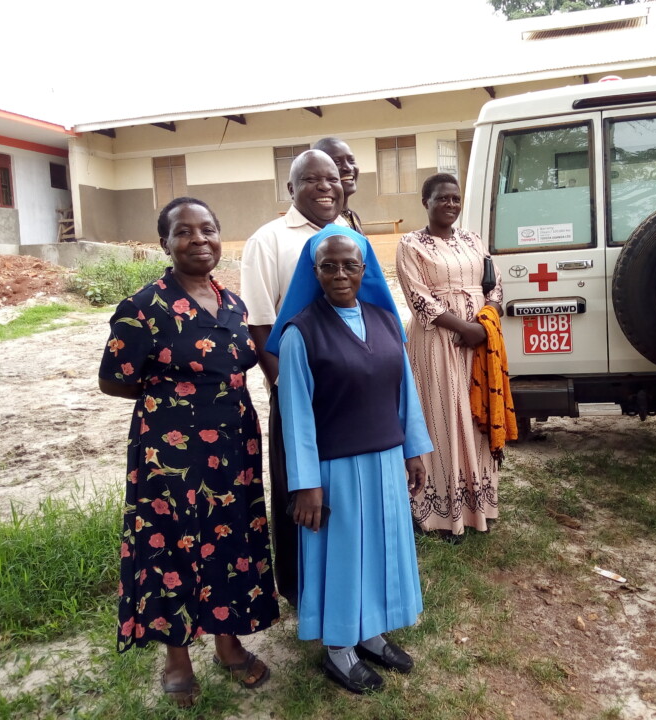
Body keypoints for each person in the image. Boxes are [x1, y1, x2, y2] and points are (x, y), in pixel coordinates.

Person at [99, 197, 279, 707]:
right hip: (169, 454)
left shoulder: (235, 305)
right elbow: (113, 381)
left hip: (233, 449)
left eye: (208, 229)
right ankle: (176, 658)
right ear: (165, 243)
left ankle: (227, 643)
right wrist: (171, 397)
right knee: (171, 546)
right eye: (185, 231)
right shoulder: (143, 307)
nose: (199, 239)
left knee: (229, 540)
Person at [267, 224, 432, 694]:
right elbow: (296, 414)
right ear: (314, 272)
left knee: (381, 549)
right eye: (328, 265)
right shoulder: (302, 332)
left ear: (366, 269)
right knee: (341, 558)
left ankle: (371, 633)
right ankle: (339, 647)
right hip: (334, 468)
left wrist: (414, 447)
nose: (340, 273)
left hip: (383, 459)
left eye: (350, 265)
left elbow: (406, 392)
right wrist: (306, 484)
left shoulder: (384, 320)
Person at [239, 149, 346, 604]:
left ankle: (344, 583)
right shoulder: (269, 240)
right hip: (296, 395)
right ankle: (302, 591)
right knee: (298, 494)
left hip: (346, 396)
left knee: (341, 492)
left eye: (333, 178)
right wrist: (285, 387)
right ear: (291, 189)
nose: (326, 186)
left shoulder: (346, 234)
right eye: (312, 180)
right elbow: (259, 322)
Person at [396, 173, 504, 539]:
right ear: (425, 202)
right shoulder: (411, 244)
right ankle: (442, 512)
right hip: (437, 341)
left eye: (456, 199)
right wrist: (464, 327)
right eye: (443, 198)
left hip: (478, 343)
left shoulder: (473, 240)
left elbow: (495, 282)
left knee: (476, 416)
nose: (451, 205)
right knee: (442, 416)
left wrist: (486, 319)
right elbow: (417, 296)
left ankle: (479, 506)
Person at [314, 137, 363, 233]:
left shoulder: (352, 216)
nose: (348, 168)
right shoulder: (322, 223)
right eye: (336, 162)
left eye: (351, 160)